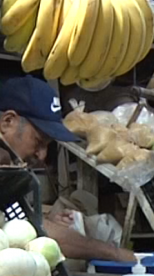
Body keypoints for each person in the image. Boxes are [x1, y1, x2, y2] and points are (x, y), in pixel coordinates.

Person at [0, 76, 135, 262]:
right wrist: (114, 253)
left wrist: (46, 218)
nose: (42, 156)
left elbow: (28, 225)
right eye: (38, 142)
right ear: (7, 122)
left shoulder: (7, 179)